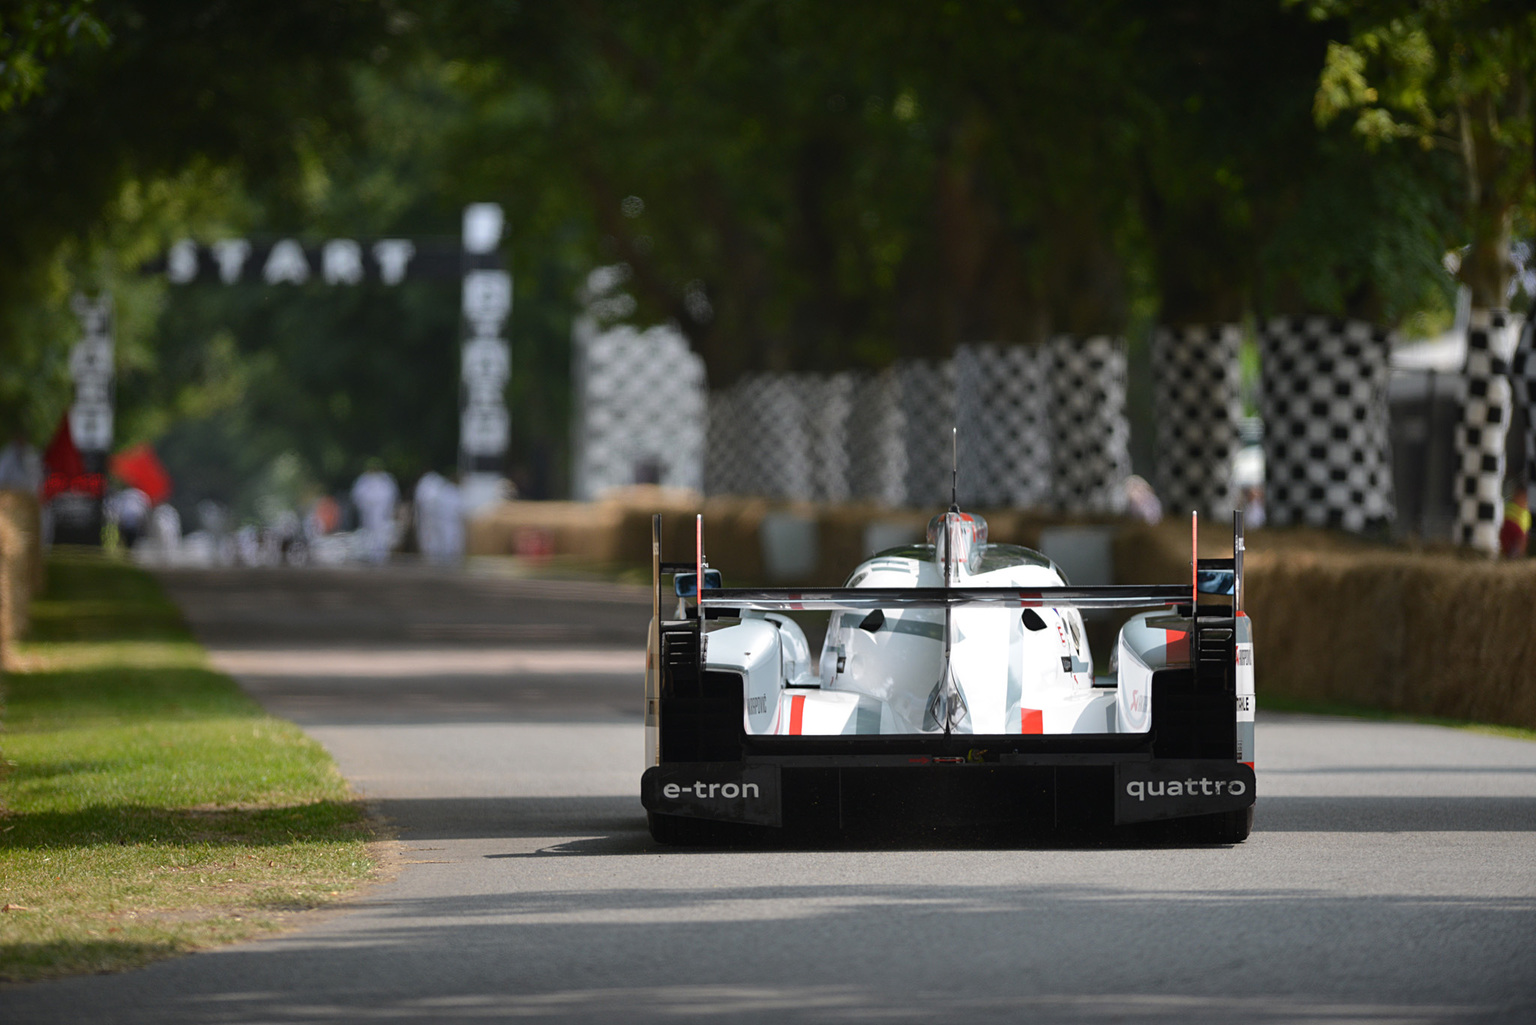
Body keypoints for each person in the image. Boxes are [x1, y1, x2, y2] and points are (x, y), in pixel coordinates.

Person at [350, 461, 399, 565]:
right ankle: (369, 554)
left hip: (380, 514)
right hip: (368, 513)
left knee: (381, 532)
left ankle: (380, 556)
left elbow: (391, 497)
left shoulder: (385, 480)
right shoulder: (364, 480)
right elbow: (357, 496)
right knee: (368, 532)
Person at [1499, 486, 1530, 558]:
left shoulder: (1526, 512)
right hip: (1508, 527)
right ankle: (1512, 554)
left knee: (1521, 538)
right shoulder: (1509, 506)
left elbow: (1525, 530)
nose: (1522, 500)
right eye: (1520, 497)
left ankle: (1516, 554)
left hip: (1517, 533)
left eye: (1524, 498)